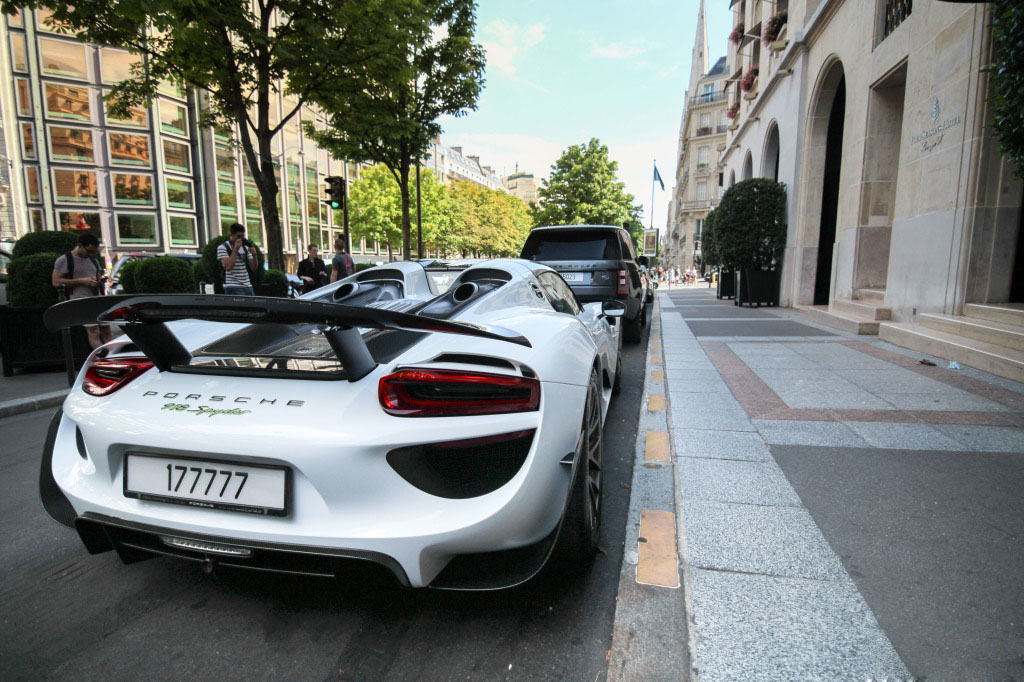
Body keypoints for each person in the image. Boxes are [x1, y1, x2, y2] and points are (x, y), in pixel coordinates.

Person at [52, 232, 111, 348]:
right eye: (89, 251)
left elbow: (96, 276)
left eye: (93, 252)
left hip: (97, 298)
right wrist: (81, 281)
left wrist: (100, 281)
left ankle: (112, 358)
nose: (91, 254)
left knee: (107, 330)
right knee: (93, 331)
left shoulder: (93, 260)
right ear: (79, 245)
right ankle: (102, 358)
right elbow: (56, 281)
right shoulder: (65, 260)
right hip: (81, 300)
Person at [218, 223, 258, 295]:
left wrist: (254, 255)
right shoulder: (223, 247)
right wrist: (236, 249)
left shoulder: (245, 247)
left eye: (243, 236)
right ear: (231, 234)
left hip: (247, 286)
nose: (241, 239)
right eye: (238, 236)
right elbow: (228, 267)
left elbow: (254, 268)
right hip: (232, 286)